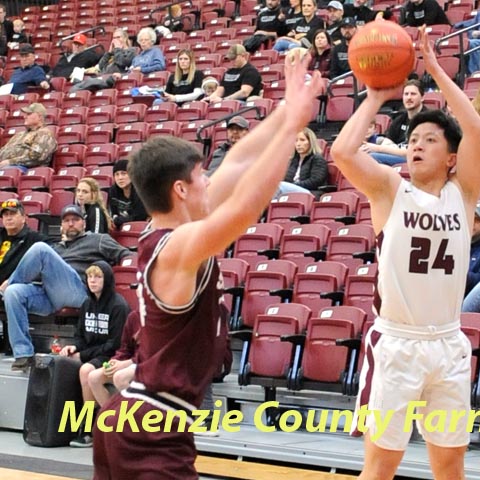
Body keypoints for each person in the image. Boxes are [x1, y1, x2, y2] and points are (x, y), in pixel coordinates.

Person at [92, 51, 322, 478]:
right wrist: (292, 129)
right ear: (181, 189)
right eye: (202, 176)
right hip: (152, 427)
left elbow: (237, 162)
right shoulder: (179, 246)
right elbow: (244, 209)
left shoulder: (159, 232)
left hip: (133, 417)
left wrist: (288, 108)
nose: (210, 180)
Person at [329, 26, 480, 480]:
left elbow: (473, 127)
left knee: (451, 464)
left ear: (452, 158)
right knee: (381, 467)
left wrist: (435, 68)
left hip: (449, 344)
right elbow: (342, 150)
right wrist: (376, 97)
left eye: (430, 140)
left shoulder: (464, 194)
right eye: (413, 140)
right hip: (397, 343)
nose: (416, 144)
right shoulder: (388, 190)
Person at [3, 204, 130, 372]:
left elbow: (127, 255)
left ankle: (5, 286)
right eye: (67, 220)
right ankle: (23, 354)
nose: (71, 224)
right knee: (14, 293)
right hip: (51, 294)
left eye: (75, 220)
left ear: (84, 223)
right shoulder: (57, 247)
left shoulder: (98, 239)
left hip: (79, 292)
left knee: (40, 249)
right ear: (61, 225)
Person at [60, 261, 129, 448]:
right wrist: (74, 348)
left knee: (85, 370)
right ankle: (89, 425)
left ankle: (90, 426)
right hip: (95, 354)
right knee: (80, 367)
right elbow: (80, 336)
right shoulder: (87, 304)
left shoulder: (118, 306)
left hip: (114, 356)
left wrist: (83, 355)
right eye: (90, 277)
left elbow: (114, 344)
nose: (93, 281)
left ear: (107, 280)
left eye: (98, 277)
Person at [88, 310, 141, 407]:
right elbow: (125, 348)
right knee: (93, 377)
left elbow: (152, 354)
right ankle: (109, 417)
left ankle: (134, 418)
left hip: (148, 363)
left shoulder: (160, 318)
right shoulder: (134, 316)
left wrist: (126, 363)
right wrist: (115, 361)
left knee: (120, 378)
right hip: (131, 362)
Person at [69, 28, 136, 93]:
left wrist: (117, 49)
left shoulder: (132, 51)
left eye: (118, 37)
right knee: (88, 81)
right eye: (114, 38)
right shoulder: (113, 52)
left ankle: (78, 87)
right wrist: (109, 53)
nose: (116, 40)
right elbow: (101, 66)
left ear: (125, 38)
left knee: (90, 81)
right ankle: (78, 87)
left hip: (113, 79)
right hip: (102, 77)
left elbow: (122, 62)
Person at [0, 199, 48, 284]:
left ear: (23, 218)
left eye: (13, 214)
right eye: (5, 215)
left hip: (11, 286)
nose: (9, 218)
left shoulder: (34, 238)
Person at [0, 103, 57, 169]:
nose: (25, 117)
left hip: (26, 170)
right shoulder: (19, 135)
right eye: (25, 114)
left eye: (29, 114)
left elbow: (37, 157)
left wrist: (10, 162)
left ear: (40, 117)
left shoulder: (44, 134)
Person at [279, 127, 328, 196]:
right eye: (296, 141)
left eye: (302, 140)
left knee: (280, 185)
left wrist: (293, 185)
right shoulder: (293, 160)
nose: (298, 144)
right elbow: (287, 179)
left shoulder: (317, 159)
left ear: (310, 142)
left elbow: (315, 181)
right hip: (293, 190)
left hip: (311, 192)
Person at [108, 159, 148, 229]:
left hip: (139, 228)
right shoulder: (112, 191)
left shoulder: (139, 191)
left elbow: (140, 217)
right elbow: (113, 214)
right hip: (120, 228)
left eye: (123, 173)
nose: (120, 178)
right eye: (117, 174)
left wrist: (118, 220)